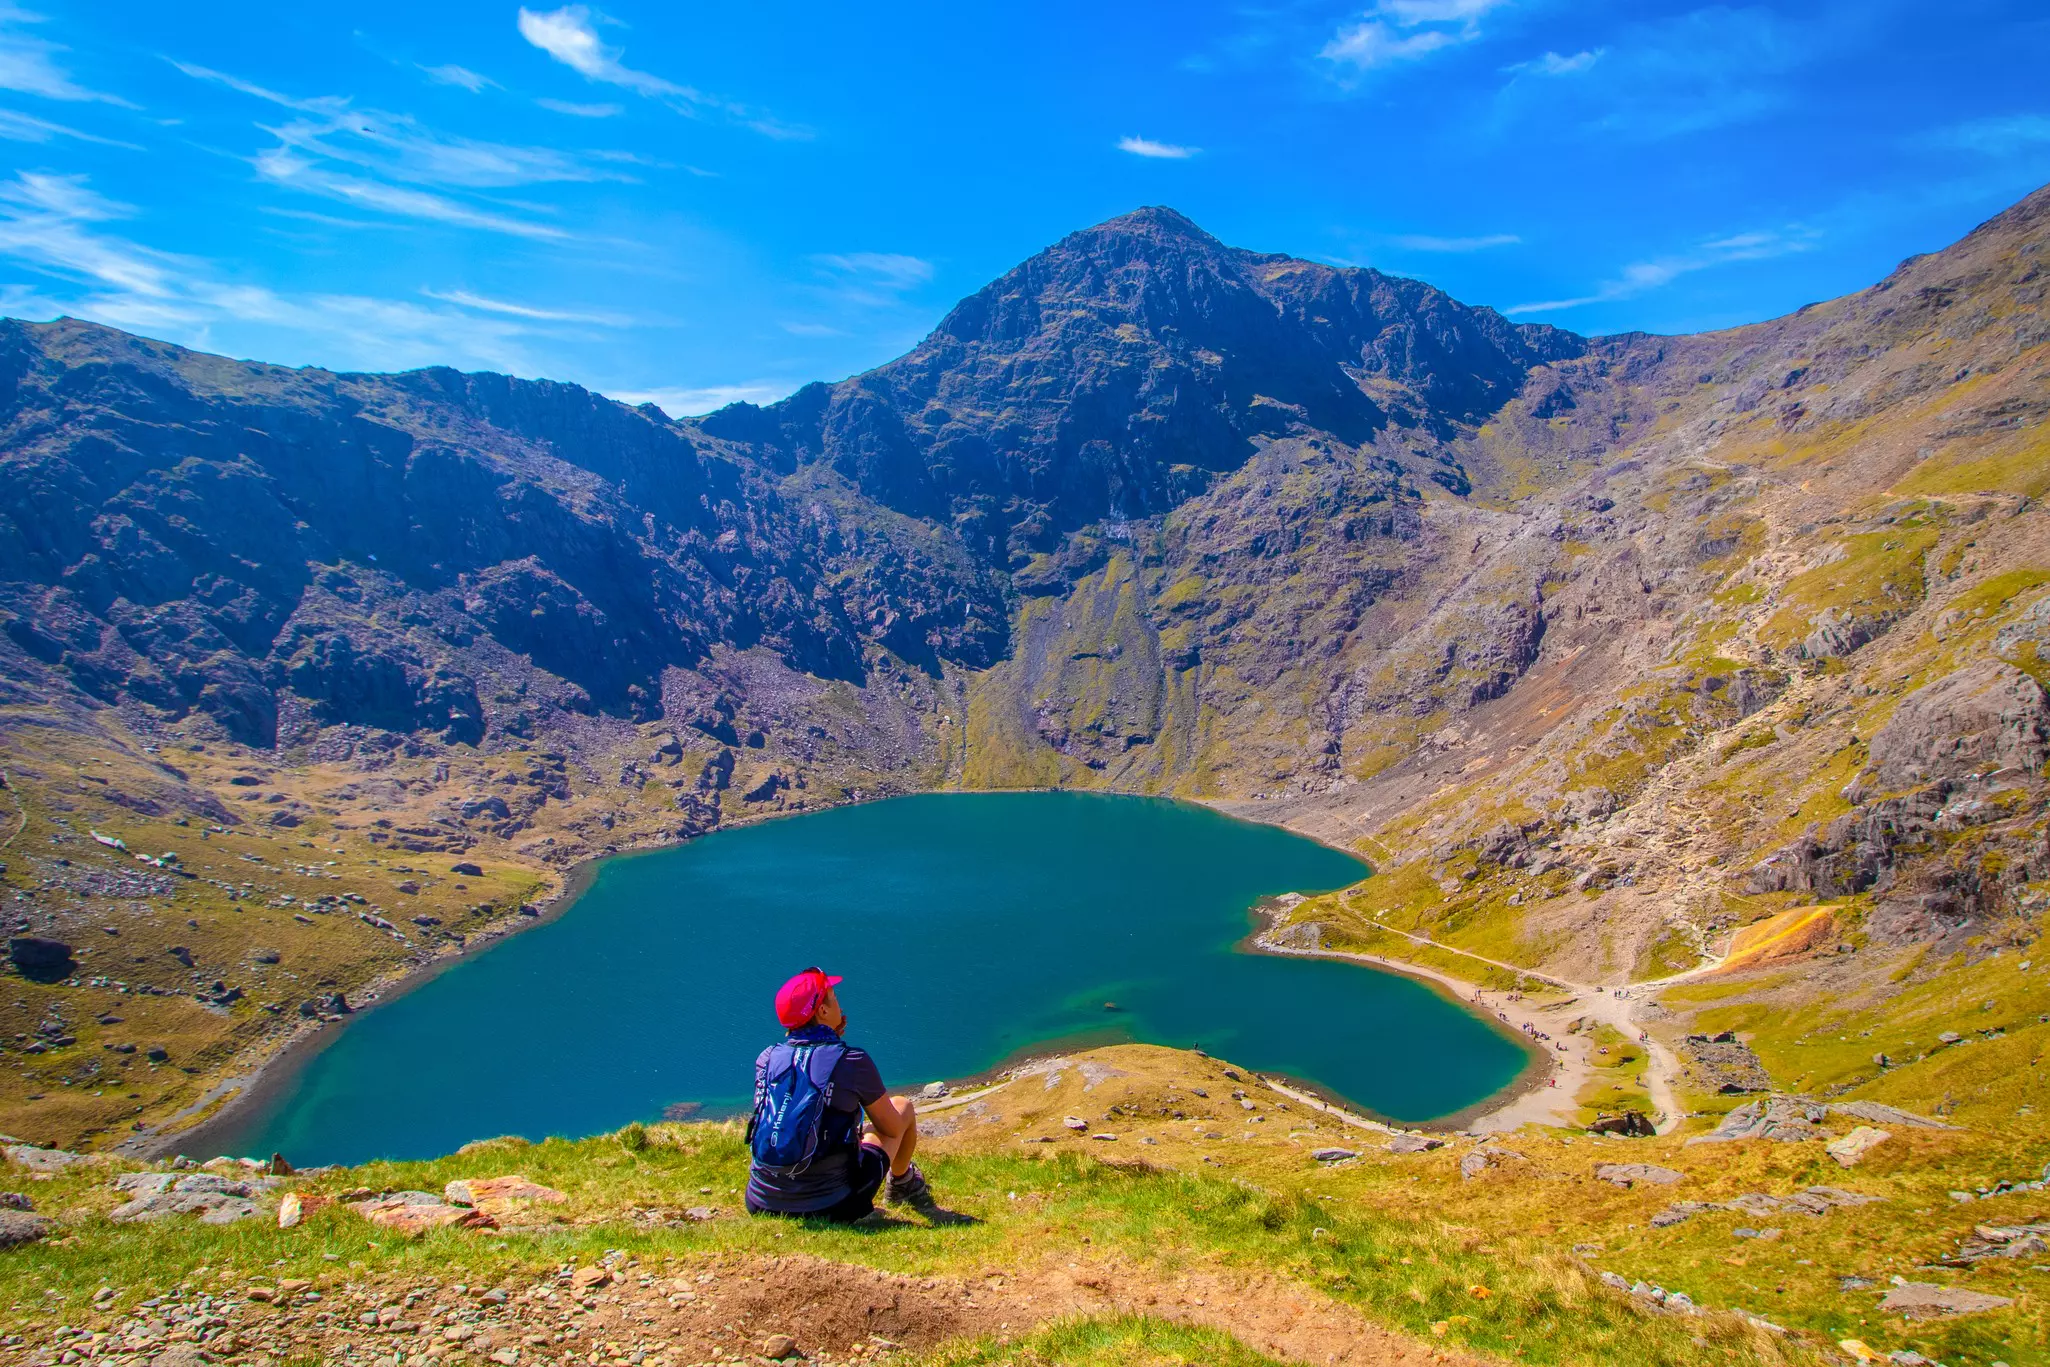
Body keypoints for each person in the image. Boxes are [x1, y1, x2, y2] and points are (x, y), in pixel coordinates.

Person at [744, 966, 938, 1222]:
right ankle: (902, 1183)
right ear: (822, 1011)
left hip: (760, 1200)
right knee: (902, 1108)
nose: (839, 1003)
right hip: (832, 1205)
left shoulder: (767, 1058)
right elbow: (891, 1127)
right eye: (834, 998)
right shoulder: (851, 1060)